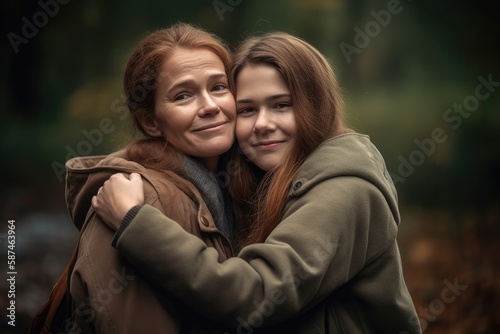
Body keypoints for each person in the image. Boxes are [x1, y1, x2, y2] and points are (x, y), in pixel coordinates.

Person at [93, 32, 422, 333]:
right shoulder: (255, 180)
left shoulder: (345, 190)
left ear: (317, 106)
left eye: (282, 105)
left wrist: (135, 222)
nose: (262, 124)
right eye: (247, 109)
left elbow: (256, 297)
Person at [63, 22, 238, 333]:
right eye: (183, 96)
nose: (210, 106)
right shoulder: (141, 199)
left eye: (218, 87)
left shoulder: (235, 189)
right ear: (151, 122)